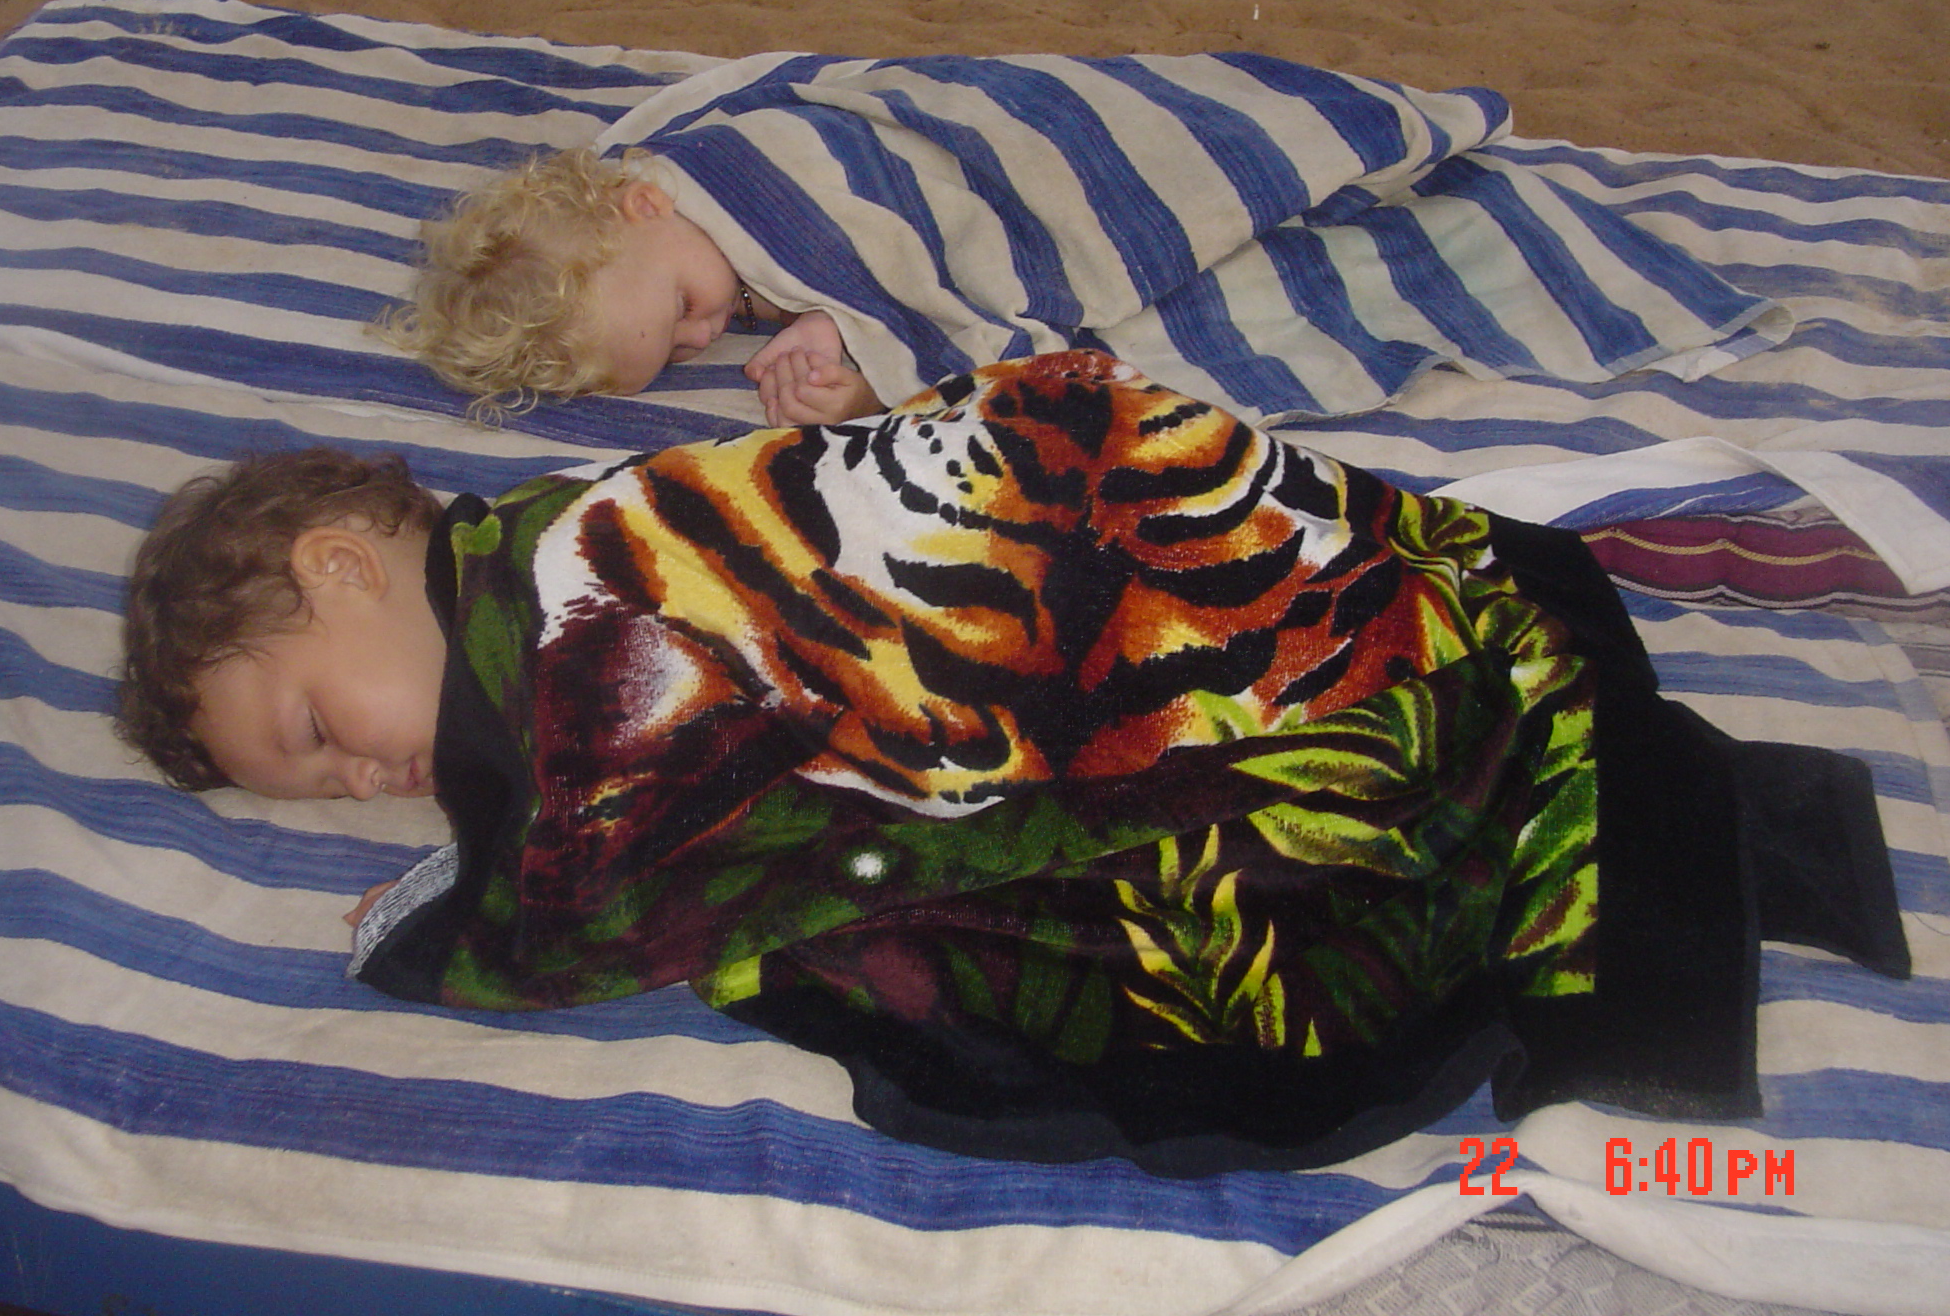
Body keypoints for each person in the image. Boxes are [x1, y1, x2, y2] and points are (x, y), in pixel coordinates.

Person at [116, 352, 1906, 1177]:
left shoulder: (563, 578)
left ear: (343, 568)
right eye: (314, 794)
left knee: (1195, 893)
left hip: (1106, 583)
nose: (356, 782)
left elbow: (595, 867)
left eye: (313, 731)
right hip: (1088, 609)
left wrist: (435, 932)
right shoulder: (541, 563)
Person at [374, 148, 882, 427]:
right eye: (674, 353)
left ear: (647, 205)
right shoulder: (677, 257)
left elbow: (892, 245)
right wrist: (828, 321)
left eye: (682, 306)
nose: (703, 337)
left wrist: (879, 393)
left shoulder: (741, 188)